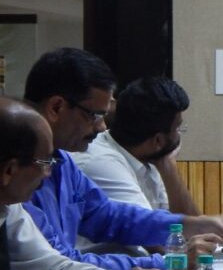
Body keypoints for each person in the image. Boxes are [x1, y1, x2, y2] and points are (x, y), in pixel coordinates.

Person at [19, 48, 223, 270]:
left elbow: (109, 216)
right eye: (94, 115)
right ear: (56, 107)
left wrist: (190, 224)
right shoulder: (20, 170)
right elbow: (58, 265)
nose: (102, 127)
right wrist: (171, 263)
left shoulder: (63, 161)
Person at [0, 97, 156, 270]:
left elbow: (50, 267)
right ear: (9, 170)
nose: (48, 175)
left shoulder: (9, 205)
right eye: (45, 163)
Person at [72, 77, 199, 215]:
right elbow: (149, 226)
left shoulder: (151, 158)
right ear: (158, 141)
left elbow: (187, 224)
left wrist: (168, 166)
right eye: (178, 128)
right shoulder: (101, 162)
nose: (180, 134)